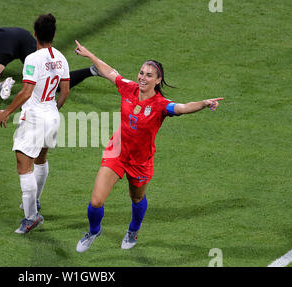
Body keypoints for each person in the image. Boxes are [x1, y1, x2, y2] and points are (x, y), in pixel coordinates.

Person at [73, 40, 224, 252]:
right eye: (141, 72)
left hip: (140, 161)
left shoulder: (161, 105)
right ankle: (94, 230)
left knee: (137, 198)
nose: (143, 77)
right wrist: (90, 55)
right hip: (117, 152)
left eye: (149, 75)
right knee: (96, 201)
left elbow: (181, 107)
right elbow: (110, 72)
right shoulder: (128, 88)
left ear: (158, 80)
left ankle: (134, 229)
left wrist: (203, 103)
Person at [0, 14, 70, 234]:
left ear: (34, 33)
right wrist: (53, 109)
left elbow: (27, 92)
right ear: (53, 35)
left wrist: (7, 112)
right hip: (52, 115)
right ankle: (34, 202)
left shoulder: (32, 59)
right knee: (41, 158)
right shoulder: (61, 58)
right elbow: (64, 92)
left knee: (23, 165)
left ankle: (31, 218)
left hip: (35, 119)